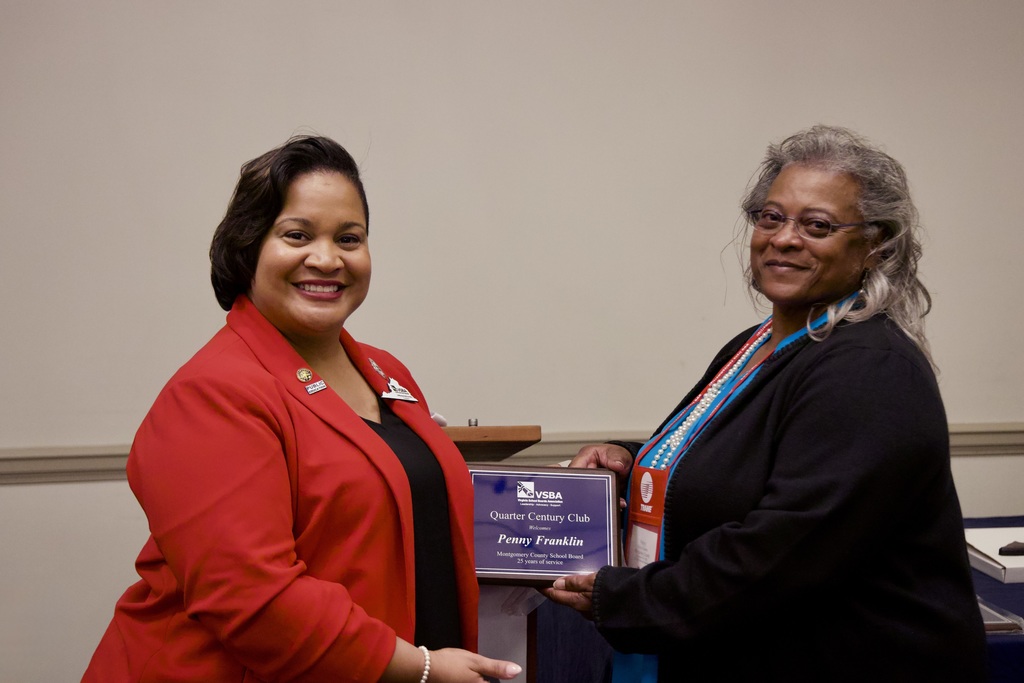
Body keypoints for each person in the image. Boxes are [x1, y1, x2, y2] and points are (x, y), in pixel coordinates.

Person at [543, 125, 987, 682]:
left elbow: (781, 554)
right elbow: (735, 459)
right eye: (771, 217)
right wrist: (631, 459)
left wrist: (625, 598)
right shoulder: (756, 345)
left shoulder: (869, 369)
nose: (783, 238)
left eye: (817, 225)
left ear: (876, 245)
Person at [83, 135, 521, 683]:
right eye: (297, 235)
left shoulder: (386, 372)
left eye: (349, 238)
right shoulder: (213, 394)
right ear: (249, 246)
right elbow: (255, 601)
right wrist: (422, 667)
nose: (327, 258)